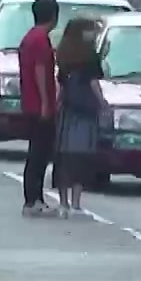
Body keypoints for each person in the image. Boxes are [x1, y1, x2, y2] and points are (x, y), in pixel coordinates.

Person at [52, 16, 104, 217]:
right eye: (90, 30)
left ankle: (63, 202)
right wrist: (102, 103)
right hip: (85, 111)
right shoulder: (89, 56)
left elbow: (62, 85)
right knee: (82, 155)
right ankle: (76, 203)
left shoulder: (64, 55)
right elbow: (93, 83)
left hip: (67, 111)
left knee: (64, 156)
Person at [16, 0, 60, 216]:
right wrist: (45, 103)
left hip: (30, 103)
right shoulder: (41, 40)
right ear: (53, 15)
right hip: (39, 105)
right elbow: (40, 72)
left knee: (37, 152)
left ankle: (34, 197)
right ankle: (33, 199)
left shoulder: (29, 38)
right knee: (39, 154)